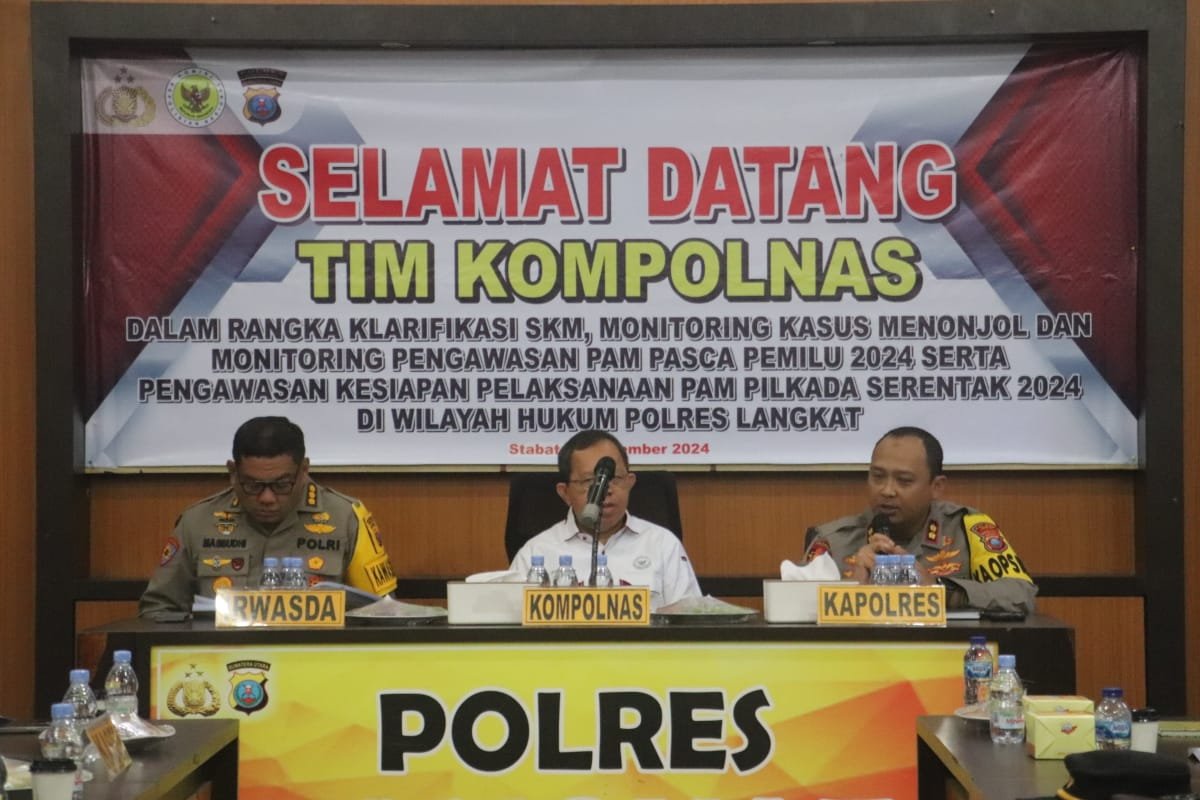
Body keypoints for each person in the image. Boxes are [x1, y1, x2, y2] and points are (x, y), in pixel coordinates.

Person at [139, 416, 398, 616]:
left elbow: (384, 613)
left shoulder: (346, 518)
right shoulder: (198, 522)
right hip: (221, 657)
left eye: (282, 484)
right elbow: (158, 610)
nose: (267, 498)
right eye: (252, 485)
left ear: (304, 470)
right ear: (232, 472)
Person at [803, 426, 1036, 614]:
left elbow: (1020, 593)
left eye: (904, 481)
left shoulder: (967, 529)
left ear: (936, 487)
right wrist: (852, 592)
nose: (887, 490)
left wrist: (938, 589)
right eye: (878, 477)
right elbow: (796, 605)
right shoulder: (832, 541)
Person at [509, 429, 701, 610]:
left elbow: (692, 620)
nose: (605, 490)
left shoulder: (663, 545)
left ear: (630, 483)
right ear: (565, 493)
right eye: (589, 481)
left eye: (614, 478)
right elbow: (512, 622)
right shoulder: (536, 552)